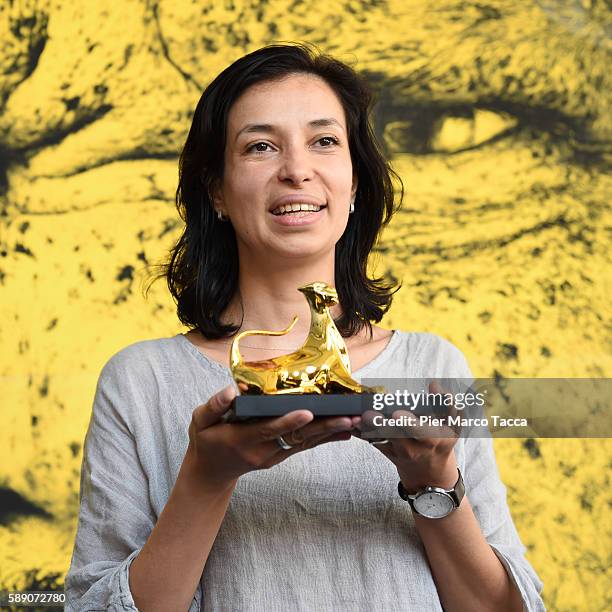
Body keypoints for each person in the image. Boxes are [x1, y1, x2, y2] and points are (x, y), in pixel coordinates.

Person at [65, 43, 545, 611]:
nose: (297, 170)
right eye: (261, 147)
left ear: (355, 180)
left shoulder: (434, 370)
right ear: (216, 190)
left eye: (324, 141)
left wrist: (433, 483)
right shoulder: (140, 382)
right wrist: (206, 478)